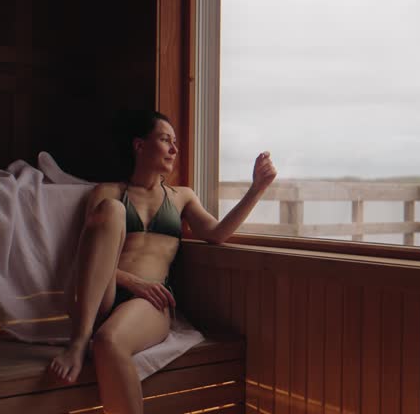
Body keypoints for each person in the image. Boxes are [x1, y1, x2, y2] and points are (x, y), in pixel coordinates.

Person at [48, 110, 276, 414]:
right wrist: (132, 281)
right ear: (140, 146)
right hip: (102, 295)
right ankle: (78, 342)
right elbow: (85, 259)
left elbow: (218, 233)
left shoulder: (181, 197)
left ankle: (88, 341)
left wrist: (257, 188)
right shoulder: (108, 193)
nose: (174, 149)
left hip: (151, 303)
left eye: (175, 143)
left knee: (108, 342)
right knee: (112, 210)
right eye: (165, 140)